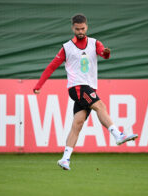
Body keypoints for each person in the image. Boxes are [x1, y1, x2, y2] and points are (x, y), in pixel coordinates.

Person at [33, 14, 138, 170]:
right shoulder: (66, 48)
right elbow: (51, 67)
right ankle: (118, 135)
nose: (80, 31)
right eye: (77, 29)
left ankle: (65, 159)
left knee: (78, 124)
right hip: (77, 87)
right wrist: (39, 85)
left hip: (88, 88)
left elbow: (103, 53)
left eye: (82, 28)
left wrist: (106, 53)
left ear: (86, 27)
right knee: (101, 106)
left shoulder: (95, 43)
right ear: (72, 28)